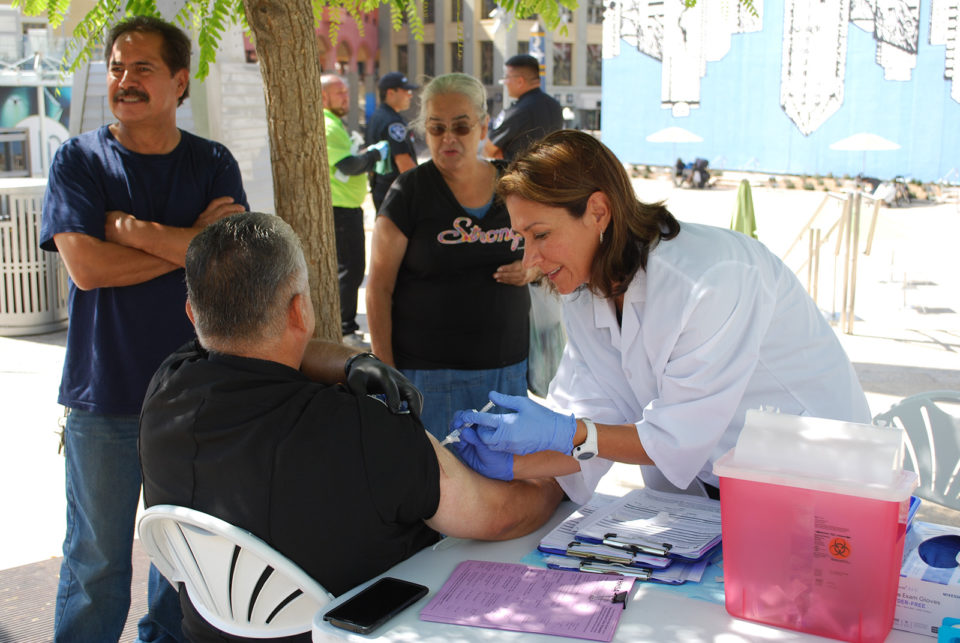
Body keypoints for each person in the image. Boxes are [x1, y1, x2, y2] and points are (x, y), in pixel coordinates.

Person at [139, 212, 563, 642]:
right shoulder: (362, 428)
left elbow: (243, 350)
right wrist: (556, 481)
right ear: (300, 311)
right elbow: (499, 517)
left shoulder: (166, 389)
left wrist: (350, 361)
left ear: (193, 314)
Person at [451, 130, 871, 504]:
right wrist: (513, 463)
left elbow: (671, 438)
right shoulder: (584, 294)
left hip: (817, 484)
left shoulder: (712, 279)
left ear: (598, 211)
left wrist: (570, 433)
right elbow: (593, 425)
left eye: (541, 235)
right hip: (707, 496)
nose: (530, 259)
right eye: (522, 239)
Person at [37, 16, 249, 642]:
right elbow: (88, 269)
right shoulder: (79, 159)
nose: (125, 80)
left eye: (143, 68)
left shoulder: (212, 162)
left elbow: (228, 264)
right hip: (104, 395)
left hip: (195, 398)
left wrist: (131, 231)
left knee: (182, 564)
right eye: (116, 68)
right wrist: (190, 244)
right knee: (95, 562)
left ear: (180, 81)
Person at [366, 73, 538, 440]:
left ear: (483, 127)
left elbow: (550, 250)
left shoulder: (514, 184)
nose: (448, 138)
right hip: (429, 377)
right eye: (436, 127)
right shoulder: (409, 191)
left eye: (461, 126)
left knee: (507, 473)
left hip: (508, 372)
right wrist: (386, 371)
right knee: (440, 475)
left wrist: (531, 270)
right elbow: (378, 287)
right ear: (424, 131)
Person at [321, 73, 389, 347]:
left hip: (346, 207)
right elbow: (349, 165)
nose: (346, 98)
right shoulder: (328, 125)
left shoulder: (333, 123)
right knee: (349, 270)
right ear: (323, 96)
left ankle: (344, 328)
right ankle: (345, 331)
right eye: (340, 92)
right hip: (340, 209)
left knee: (350, 269)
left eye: (347, 92)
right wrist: (374, 155)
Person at [483, 54, 563, 162]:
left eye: (506, 77)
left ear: (520, 81)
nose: (505, 82)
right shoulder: (555, 106)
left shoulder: (517, 111)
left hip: (519, 171)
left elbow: (488, 149)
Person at [365, 71, 419, 211]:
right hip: (396, 193)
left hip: (380, 188)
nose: (410, 95)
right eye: (405, 91)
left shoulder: (377, 116)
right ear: (390, 93)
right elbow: (404, 162)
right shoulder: (393, 123)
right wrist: (422, 189)